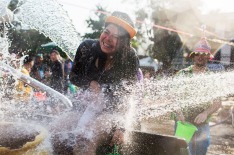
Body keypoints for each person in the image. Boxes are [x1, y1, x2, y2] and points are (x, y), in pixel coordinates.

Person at [69, 11, 139, 154]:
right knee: (57, 131)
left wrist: (122, 128)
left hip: (112, 112)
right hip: (85, 106)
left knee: (87, 138)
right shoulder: (86, 48)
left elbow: (128, 96)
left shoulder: (130, 58)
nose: (108, 39)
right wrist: (91, 83)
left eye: (116, 37)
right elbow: (73, 77)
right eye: (106, 32)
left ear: (124, 42)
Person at [175, 37, 222, 155]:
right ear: (193, 56)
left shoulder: (212, 78)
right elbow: (173, 97)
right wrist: (179, 112)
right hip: (183, 122)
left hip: (203, 124)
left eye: (204, 54)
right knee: (181, 152)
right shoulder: (182, 74)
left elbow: (218, 102)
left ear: (208, 56)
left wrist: (205, 113)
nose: (200, 56)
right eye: (197, 54)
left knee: (200, 153)